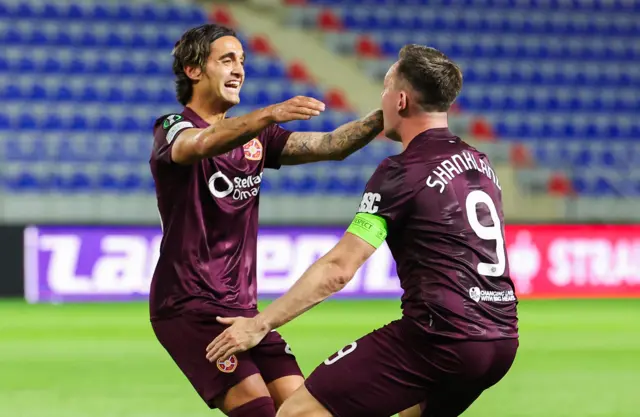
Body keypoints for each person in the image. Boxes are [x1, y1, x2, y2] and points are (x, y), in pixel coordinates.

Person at [205, 44, 520, 417]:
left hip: (439, 339)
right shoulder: (481, 164)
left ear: (401, 100)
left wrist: (260, 324)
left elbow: (339, 269)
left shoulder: (401, 172)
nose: (382, 99)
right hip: (501, 340)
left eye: (386, 90)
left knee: (296, 413)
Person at [149, 24, 384, 417]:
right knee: (257, 408)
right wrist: (269, 113)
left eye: (242, 60)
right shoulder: (172, 128)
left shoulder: (258, 139)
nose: (239, 69)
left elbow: (332, 145)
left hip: (245, 311)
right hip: (187, 305)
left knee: (305, 409)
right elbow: (201, 144)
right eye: (227, 60)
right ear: (193, 70)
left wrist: (390, 113)